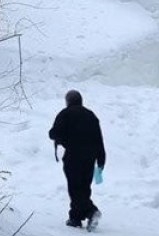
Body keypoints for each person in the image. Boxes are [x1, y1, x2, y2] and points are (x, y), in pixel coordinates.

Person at [49, 90, 106, 229]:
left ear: (68, 101)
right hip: (90, 158)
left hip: (73, 156)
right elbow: (99, 139)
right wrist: (101, 159)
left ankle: (91, 211)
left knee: (75, 188)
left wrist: (61, 139)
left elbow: (54, 133)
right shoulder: (91, 115)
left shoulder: (65, 114)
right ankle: (75, 218)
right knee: (84, 188)